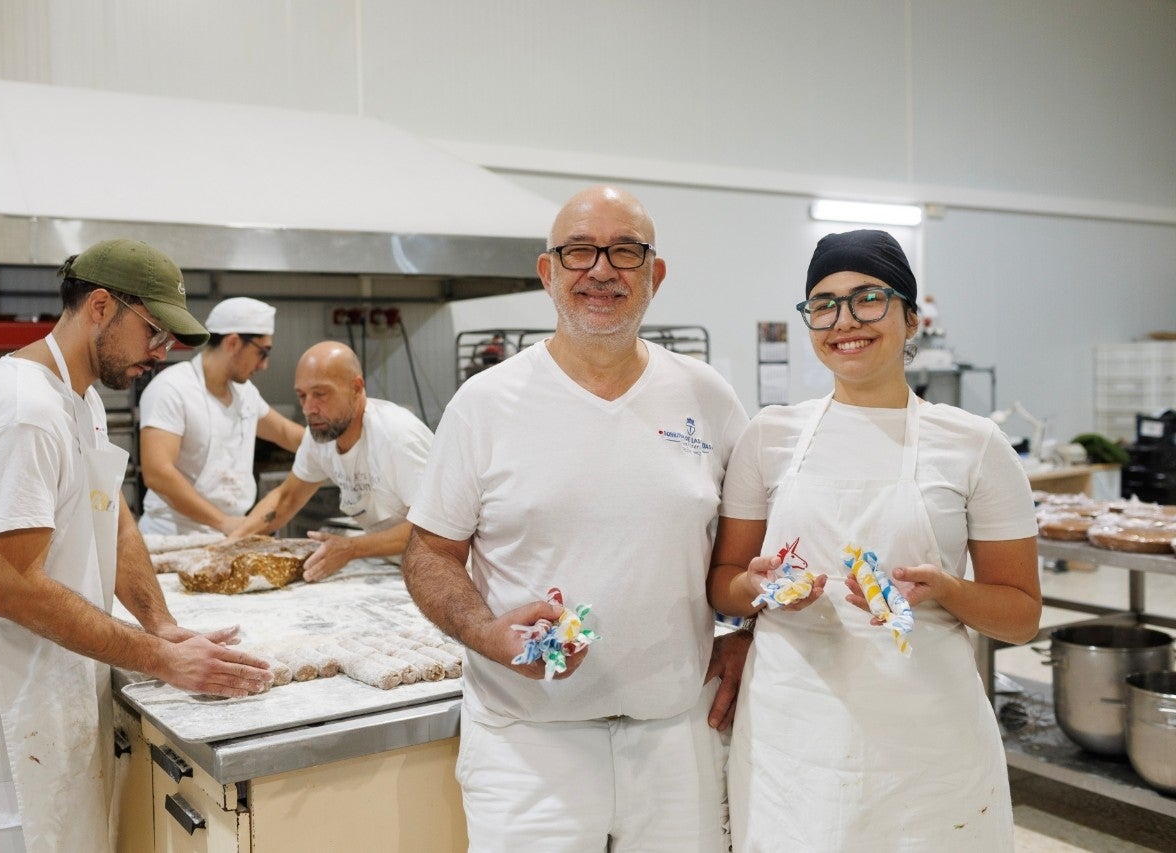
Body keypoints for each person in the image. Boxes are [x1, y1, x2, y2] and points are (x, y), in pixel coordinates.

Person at [402, 185, 752, 851]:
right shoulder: (486, 404)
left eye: (624, 251)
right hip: (528, 745)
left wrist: (743, 634)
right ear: (549, 272)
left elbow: (742, 551)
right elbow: (428, 554)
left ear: (655, 274)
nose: (601, 269)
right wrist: (486, 630)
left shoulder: (710, 399)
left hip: (676, 738)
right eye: (580, 251)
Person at [0, 239, 274, 853]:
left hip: (40, 653)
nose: (160, 355)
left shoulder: (78, 398)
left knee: (71, 827)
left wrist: (160, 626)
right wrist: (160, 661)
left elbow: (114, 517)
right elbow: (17, 587)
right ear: (102, 307)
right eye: (155, 332)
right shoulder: (24, 409)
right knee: (32, 833)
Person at [708, 229, 1041, 851]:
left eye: (868, 298)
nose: (844, 321)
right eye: (824, 303)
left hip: (927, 738)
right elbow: (723, 582)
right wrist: (756, 588)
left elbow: (1020, 616)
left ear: (911, 317)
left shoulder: (974, 445)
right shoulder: (769, 436)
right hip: (794, 730)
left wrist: (945, 590)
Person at [230, 341, 433, 580]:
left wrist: (352, 548)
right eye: (302, 396)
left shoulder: (396, 436)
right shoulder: (320, 436)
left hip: (444, 573)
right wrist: (231, 544)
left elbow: (430, 528)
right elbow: (286, 499)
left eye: (320, 394)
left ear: (356, 388)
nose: (308, 409)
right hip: (394, 569)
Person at [137, 296, 304, 537]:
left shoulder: (245, 393)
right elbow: (158, 473)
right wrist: (223, 522)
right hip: (175, 536)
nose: (263, 365)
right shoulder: (172, 388)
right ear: (233, 343)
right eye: (262, 353)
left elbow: (287, 434)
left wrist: (338, 446)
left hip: (229, 532)